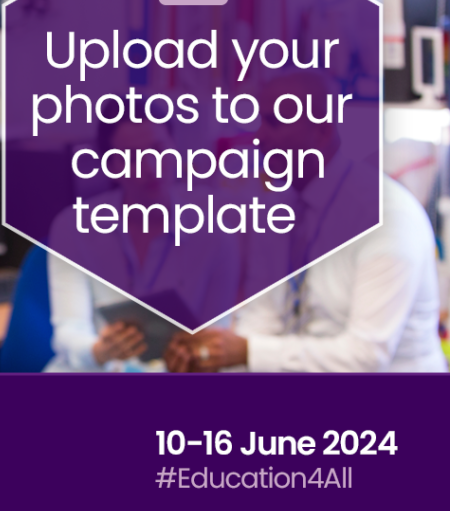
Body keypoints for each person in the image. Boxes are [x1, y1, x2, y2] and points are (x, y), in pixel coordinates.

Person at [165, 75, 446, 373]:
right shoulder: (277, 207)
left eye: (275, 123)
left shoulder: (386, 216)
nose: (259, 137)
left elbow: (366, 355)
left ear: (322, 131)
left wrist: (247, 352)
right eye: (260, 121)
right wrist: (214, 355)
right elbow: (264, 318)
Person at [44, 118, 237, 372]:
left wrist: (197, 353)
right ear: (111, 165)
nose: (151, 166)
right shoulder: (73, 227)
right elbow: (69, 331)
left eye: (158, 150)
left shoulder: (214, 221)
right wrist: (99, 351)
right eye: (133, 157)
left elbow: (218, 326)